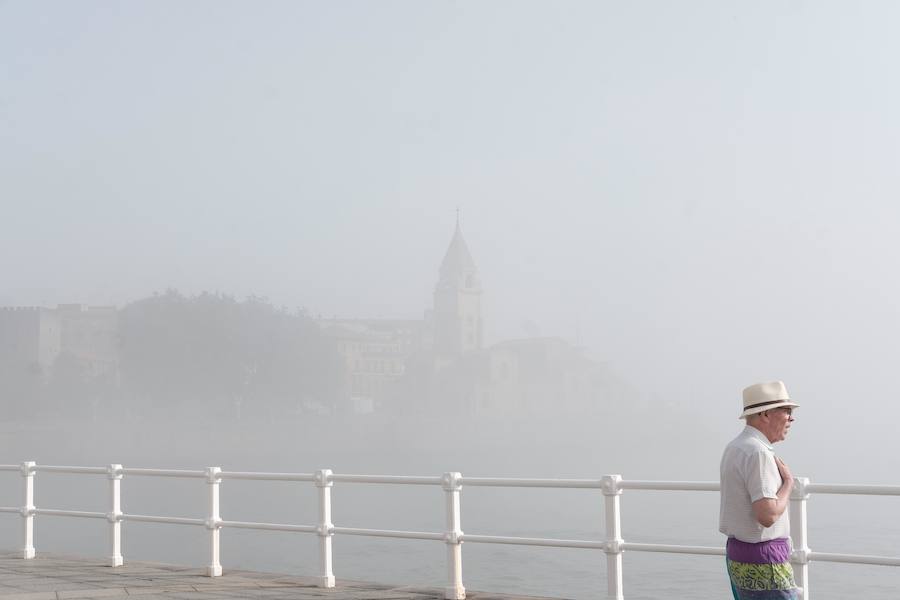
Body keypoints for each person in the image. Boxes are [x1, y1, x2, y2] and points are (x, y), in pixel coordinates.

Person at [719, 381, 800, 600]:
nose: (791, 418)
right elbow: (767, 514)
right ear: (765, 414)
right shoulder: (758, 453)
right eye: (787, 411)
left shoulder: (735, 447)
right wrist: (788, 483)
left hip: (738, 555)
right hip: (765, 561)